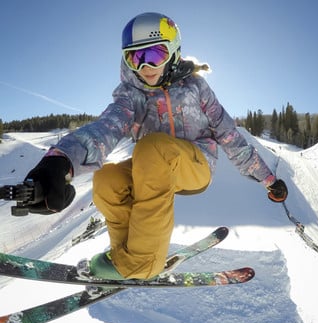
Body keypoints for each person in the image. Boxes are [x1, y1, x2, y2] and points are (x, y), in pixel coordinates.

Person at [25, 12, 288, 281]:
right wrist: (61, 161)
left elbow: (229, 135)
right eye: (135, 58)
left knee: (152, 148)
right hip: (154, 170)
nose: (145, 66)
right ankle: (124, 256)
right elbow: (107, 126)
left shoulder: (196, 87)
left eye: (154, 55)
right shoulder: (133, 93)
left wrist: (268, 179)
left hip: (196, 166)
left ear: (173, 52)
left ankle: (143, 263)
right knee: (108, 179)